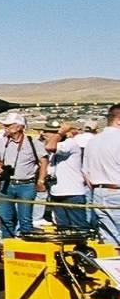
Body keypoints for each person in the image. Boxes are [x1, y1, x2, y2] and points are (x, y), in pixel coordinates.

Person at [0, 112, 46, 238]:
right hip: (7, 184)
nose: (5, 128)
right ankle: (8, 245)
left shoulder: (32, 142)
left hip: (27, 184)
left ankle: (25, 246)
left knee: (25, 219)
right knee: (5, 217)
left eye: (8, 125)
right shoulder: (1, 142)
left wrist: (41, 180)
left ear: (19, 127)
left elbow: (44, 160)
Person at [82, 104, 120, 247]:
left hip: (98, 193)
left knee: (109, 239)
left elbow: (86, 172)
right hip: (116, 191)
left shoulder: (93, 141)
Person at [43, 122, 91, 231]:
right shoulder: (57, 145)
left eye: (47, 132)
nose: (43, 134)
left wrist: (60, 133)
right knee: (62, 228)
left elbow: (50, 147)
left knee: (79, 227)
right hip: (57, 192)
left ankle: (81, 247)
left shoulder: (69, 144)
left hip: (72, 193)